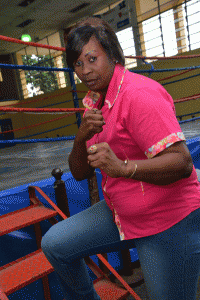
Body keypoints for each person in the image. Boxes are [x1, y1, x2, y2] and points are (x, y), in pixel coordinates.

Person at [41, 16, 200, 300]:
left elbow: (183, 162)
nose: (86, 71)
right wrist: (81, 137)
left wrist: (123, 168)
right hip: (122, 212)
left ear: (113, 55)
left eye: (92, 59)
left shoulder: (139, 95)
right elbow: (79, 173)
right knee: (56, 244)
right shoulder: (96, 101)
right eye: (78, 64)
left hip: (167, 219)